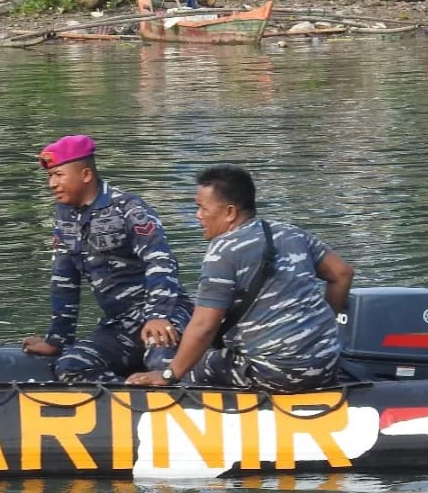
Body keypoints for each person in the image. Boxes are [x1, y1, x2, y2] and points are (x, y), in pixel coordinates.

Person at [129, 164, 354, 392]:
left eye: (202, 208)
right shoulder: (290, 232)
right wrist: (317, 329)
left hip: (275, 373)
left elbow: (204, 326)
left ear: (230, 212)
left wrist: (169, 374)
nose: (198, 216)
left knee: (168, 360)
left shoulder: (223, 251)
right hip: (326, 364)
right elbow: (342, 274)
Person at [20, 135, 192, 384]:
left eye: (59, 175)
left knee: (161, 363)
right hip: (121, 324)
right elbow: (64, 281)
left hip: (165, 315)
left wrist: (158, 314)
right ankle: (130, 399)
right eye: (50, 176)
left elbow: (161, 261)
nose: (52, 184)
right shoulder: (64, 216)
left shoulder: (128, 208)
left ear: (86, 175)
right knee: (70, 367)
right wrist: (57, 340)